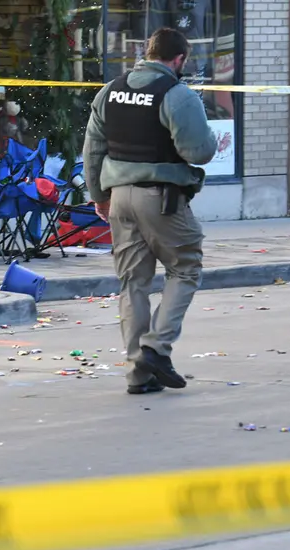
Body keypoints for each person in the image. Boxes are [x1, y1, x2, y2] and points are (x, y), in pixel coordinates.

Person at [82, 27, 217, 395]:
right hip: (161, 198)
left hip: (119, 198)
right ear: (179, 59)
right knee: (185, 268)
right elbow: (198, 152)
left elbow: (92, 151)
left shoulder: (110, 91)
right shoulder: (177, 94)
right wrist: (212, 139)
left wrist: (99, 195)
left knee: (133, 283)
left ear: (147, 52)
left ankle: (138, 375)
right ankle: (156, 349)